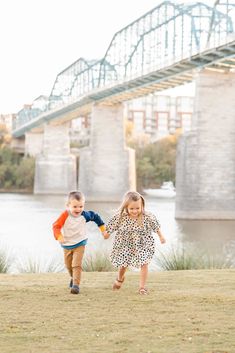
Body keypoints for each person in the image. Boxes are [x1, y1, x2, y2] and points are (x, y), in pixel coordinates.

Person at [106, 191, 166, 295]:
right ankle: (120, 278)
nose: (135, 211)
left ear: (142, 206)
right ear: (126, 207)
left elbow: (156, 227)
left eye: (138, 208)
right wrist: (107, 233)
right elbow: (111, 227)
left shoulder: (147, 216)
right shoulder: (121, 217)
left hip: (143, 244)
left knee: (144, 263)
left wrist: (161, 236)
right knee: (123, 265)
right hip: (125, 244)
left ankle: (142, 288)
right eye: (132, 209)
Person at [52, 191, 109, 294]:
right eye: (75, 207)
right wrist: (59, 236)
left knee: (76, 265)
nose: (78, 209)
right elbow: (56, 226)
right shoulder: (65, 215)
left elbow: (96, 217)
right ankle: (73, 278)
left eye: (81, 206)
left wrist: (103, 230)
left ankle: (76, 285)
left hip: (80, 243)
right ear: (68, 206)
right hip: (67, 244)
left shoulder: (85, 215)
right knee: (69, 266)